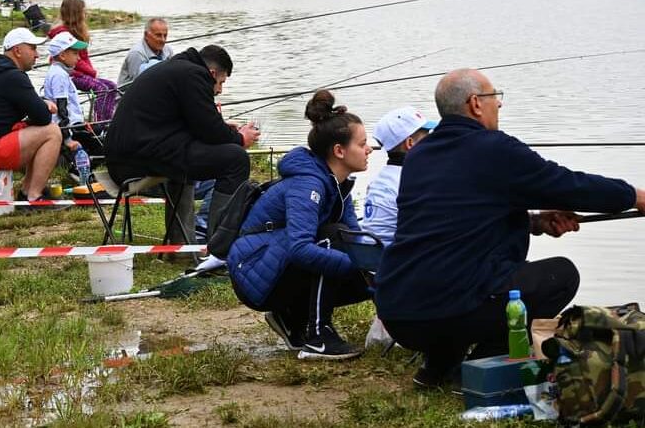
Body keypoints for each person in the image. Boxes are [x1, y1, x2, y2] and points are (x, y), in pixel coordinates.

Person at [375, 69, 645, 389]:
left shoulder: (419, 155)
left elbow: (455, 218)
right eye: (494, 97)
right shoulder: (495, 149)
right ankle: (477, 369)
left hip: (397, 311)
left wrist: (532, 222)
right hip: (445, 308)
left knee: (469, 278)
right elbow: (568, 186)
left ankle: (436, 368)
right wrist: (633, 196)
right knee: (560, 274)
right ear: (476, 103)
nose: (498, 105)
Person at [227, 90, 373, 359]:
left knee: (358, 258)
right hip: (252, 270)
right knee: (334, 241)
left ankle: (293, 319)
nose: (370, 148)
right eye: (362, 143)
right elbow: (299, 249)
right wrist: (356, 267)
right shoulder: (309, 183)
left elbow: (356, 238)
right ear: (339, 151)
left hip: (271, 262)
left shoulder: (338, 184)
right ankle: (318, 336)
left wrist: (378, 266)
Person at [106, 44, 260, 245]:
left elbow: (198, 123)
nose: (220, 90)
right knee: (236, 159)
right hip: (135, 161)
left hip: (127, 157)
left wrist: (224, 128)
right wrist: (240, 139)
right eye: (221, 83)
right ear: (212, 73)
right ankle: (220, 245)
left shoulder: (178, 69)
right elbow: (209, 131)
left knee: (189, 160)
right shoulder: (193, 75)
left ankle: (182, 244)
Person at [0, 28, 61, 204]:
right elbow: (43, 117)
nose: (37, 55)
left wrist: (40, 105)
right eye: (33, 48)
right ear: (17, 51)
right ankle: (33, 197)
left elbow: (35, 111)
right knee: (52, 132)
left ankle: (27, 191)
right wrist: (45, 105)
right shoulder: (13, 76)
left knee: (38, 129)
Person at [362, 106, 437, 245]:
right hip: (394, 258)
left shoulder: (380, 179)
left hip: (370, 255)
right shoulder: (413, 183)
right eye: (426, 135)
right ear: (410, 143)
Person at [48, 0, 117, 121]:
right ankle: (100, 124)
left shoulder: (77, 31)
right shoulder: (63, 34)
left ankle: (107, 120)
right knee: (102, 89)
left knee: (112, 86)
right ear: (76, 13)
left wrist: (92, 73)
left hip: (80, 74)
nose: (86, 14)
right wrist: (92, 73)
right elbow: (76, 61)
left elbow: (83, 57)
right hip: (72, 74)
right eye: (83, 11)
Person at [42, 31, 104, 166]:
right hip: (69, 128)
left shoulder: (58, 72)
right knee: (102, 146)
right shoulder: (59, 75)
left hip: (73, 124)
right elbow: (61, 107)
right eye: (75, 53)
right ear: (62, 55)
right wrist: (67, 139)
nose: (79, 58)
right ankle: (81, 168)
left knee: (99, 130)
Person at [118, 18, 172, 87]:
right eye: (158, 35)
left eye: (165, 35)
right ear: (146, 35)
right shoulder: (136, 53)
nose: (163, 40)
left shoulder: (168, 50)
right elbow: (139, 85)